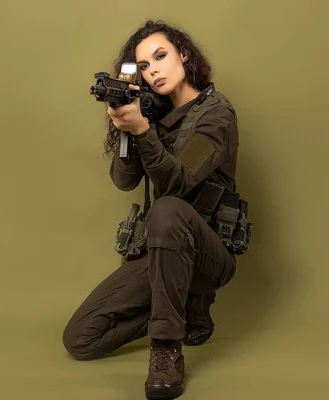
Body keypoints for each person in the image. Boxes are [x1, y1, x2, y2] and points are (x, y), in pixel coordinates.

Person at [62, 19, 240, 400]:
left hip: (209, 256)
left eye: (160, 56)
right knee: (81, 339)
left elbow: (177, 183)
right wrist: (129, 126)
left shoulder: (216, 117)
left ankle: (166, 349)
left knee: (168, 209)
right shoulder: (153, 114)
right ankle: (182, 306)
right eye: (143, 65)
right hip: (163, 253)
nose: (153, 69)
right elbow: (125, 181)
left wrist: (144, 132)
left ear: (184, 54)